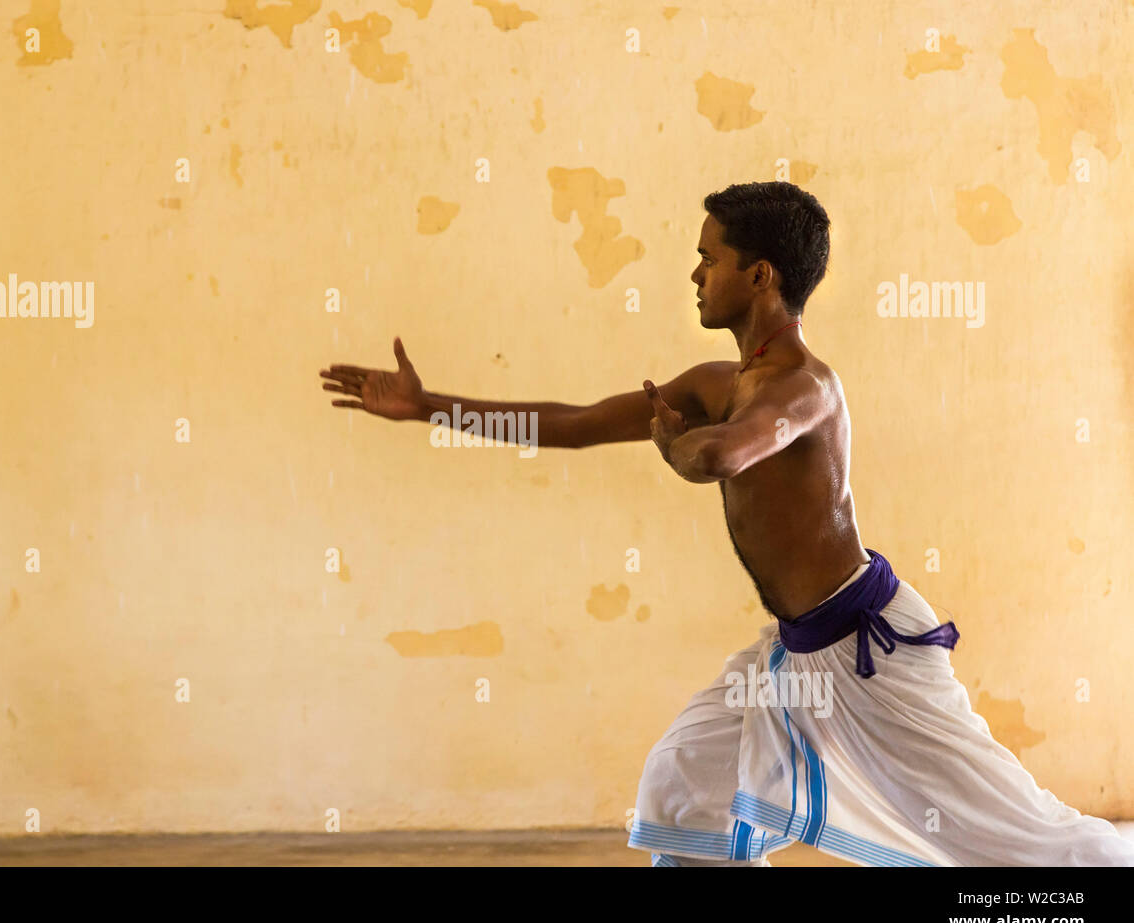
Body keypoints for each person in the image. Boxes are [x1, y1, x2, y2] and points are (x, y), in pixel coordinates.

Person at [319, 181, 1134, 866]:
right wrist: (430, 411)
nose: (695, 273)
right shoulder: (719, 380)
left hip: (868, 651)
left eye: (710, 257)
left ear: (761, 274)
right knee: (682, 784)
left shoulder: (804, 388)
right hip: (792, 650)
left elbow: (725, 456)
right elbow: (568, 423)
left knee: (1020, 846)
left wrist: (681, 445)